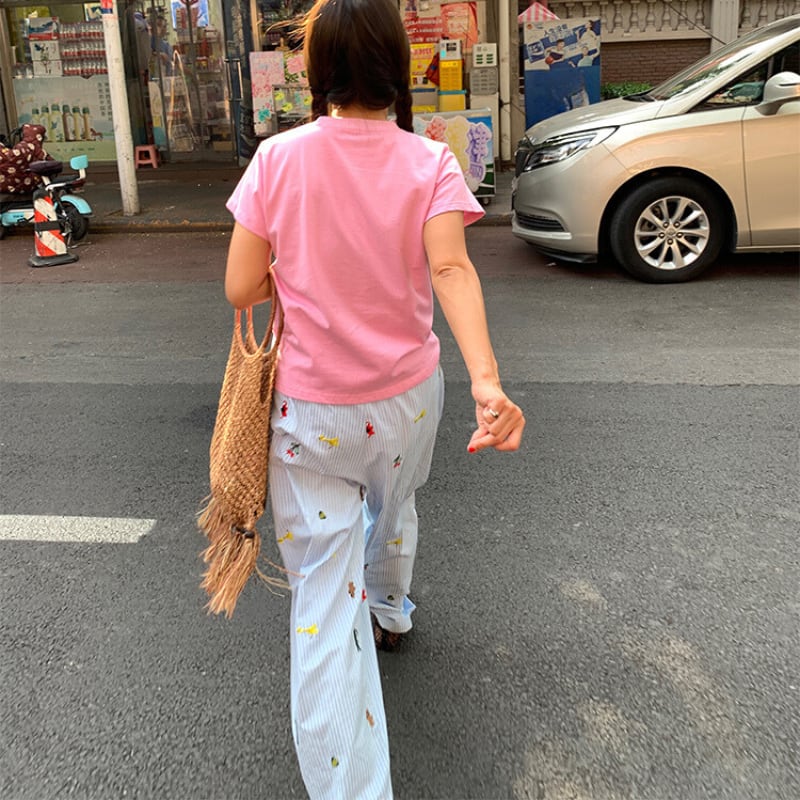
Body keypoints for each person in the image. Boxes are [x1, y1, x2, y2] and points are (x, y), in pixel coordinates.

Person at [223, 0, 525, 797]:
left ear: (316, 70)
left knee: (324, 602)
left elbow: (240, 287)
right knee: (394, 508)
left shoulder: (277, 160)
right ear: (400, 67)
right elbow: (451, 269)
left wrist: (295, 272)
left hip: (311, 411)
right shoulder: (430, 162)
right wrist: (487, 382)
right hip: (406, 402)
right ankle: (391, 609)